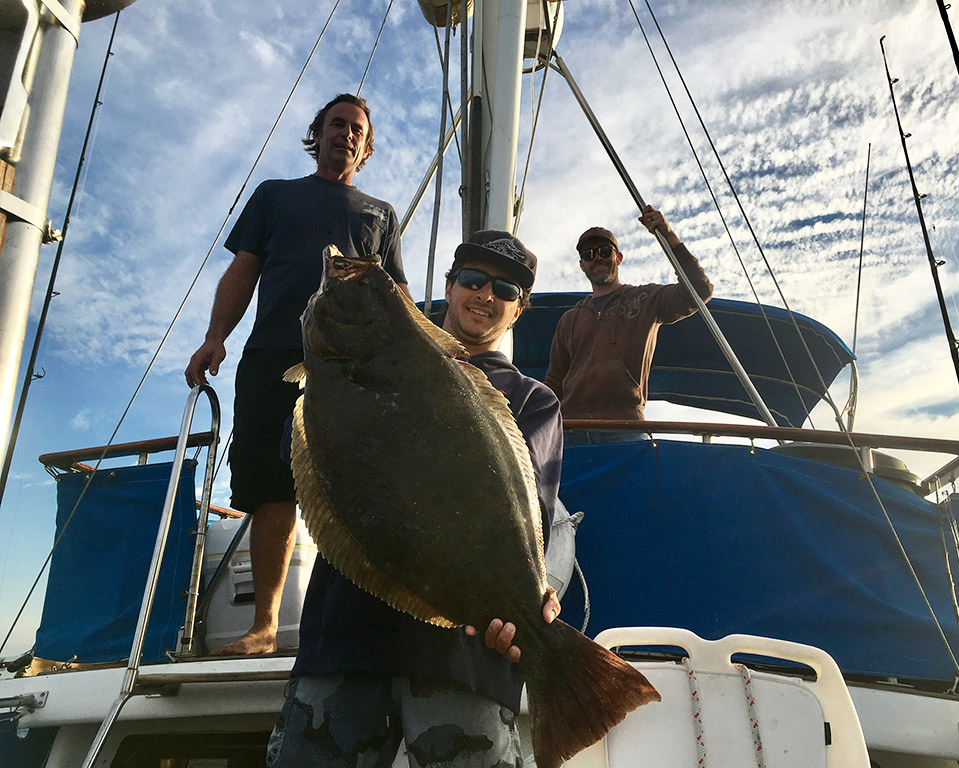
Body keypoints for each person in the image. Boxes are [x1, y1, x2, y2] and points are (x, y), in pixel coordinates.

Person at [267, 231, 563, 768]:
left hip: (466, 658)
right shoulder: (343, 372)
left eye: (506, 289)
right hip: (346, 641)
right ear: (447, 288)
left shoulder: (532, 400)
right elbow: (301, 457)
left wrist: (532, 598)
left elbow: (534, 519)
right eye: (473, 280)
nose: (485, 295)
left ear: (519, 311)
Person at [184, 93, 409, 656]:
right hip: (272, 357)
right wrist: (216, 336)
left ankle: (355, 622)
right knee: (271, 488)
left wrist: (410, 361)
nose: (347, 134)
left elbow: (397, 297)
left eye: (358, 128)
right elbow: (244, 269)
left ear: (368, 143)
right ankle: (264, 626)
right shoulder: (275, 196)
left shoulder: (380, 214)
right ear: (318, 133)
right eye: (338, 124)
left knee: (354, 489)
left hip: (349, 367)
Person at [545, 204, 713, 428]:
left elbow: (699, 290)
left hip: (627, 428)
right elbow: (554, 382)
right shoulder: (569, 319)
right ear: (581, 265)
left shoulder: (647, 299)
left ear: (619, 258)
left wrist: (668, 236)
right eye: (588, 254)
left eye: (605, 251)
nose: (597, 258)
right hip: (571, 432)